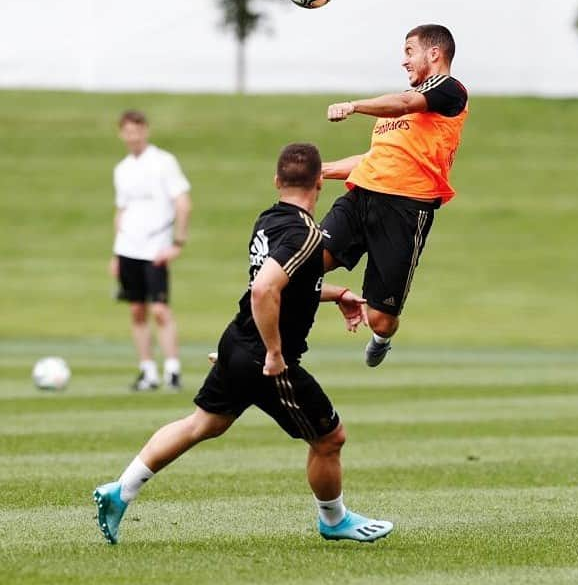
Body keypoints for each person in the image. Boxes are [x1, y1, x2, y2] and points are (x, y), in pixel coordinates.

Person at [93, 143, 393, 545]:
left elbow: (280, 281)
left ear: (277, 181)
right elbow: (265, 289)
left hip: (237, 341)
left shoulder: (269, 219)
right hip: (265, 358)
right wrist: (273, 353)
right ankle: (334, 519)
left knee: (203, 423)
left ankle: (120, 490)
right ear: (321, 181)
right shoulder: (305, 233)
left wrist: (336, 293)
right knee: (329, 438)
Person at [321, 24, 469, 367]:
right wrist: (323, 171)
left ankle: (381, 337)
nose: (403, 61)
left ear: (434, 54)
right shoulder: (396, 111)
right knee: (301, 266)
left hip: (404, 208)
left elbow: (403, 103)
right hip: (360, 197)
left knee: (380, 318)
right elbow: (376, 159)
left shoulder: (449, 91)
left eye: (408, 51)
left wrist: (354, 105)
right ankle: (264, 348)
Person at [110, 110, 192, 390]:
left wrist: (177, 242)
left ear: (145, 130)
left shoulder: (163, 162)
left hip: (155, 246)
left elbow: (182, 202)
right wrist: (115, 252)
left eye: (137, 129)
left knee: (160, 309)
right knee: (136, 310)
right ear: (122, 133)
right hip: (128, 247)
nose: (133, 136)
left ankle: (172, 369)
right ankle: (147, 371)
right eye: (127, 131)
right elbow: (121, 211)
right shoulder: (121, 169)